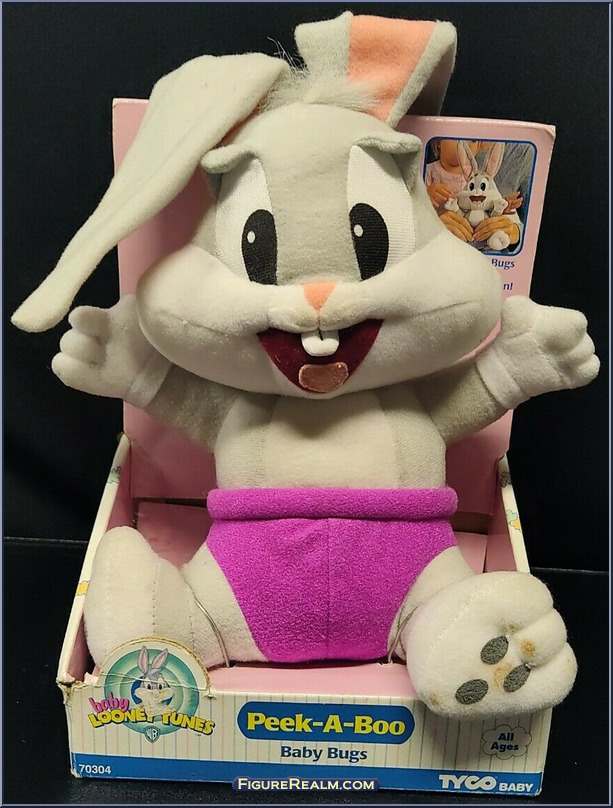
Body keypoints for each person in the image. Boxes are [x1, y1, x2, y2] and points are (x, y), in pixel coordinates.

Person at [425, 139, 525, 249]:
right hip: (444, 240)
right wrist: (427, 194)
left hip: (474, 237)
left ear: (478, 148)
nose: (465, 144)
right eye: (457, 138)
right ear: (438, 142)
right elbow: (416, 203)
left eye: (472, 141)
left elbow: (488, 200)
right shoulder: (428, 170)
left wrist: (502, 205)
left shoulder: (478, 177)